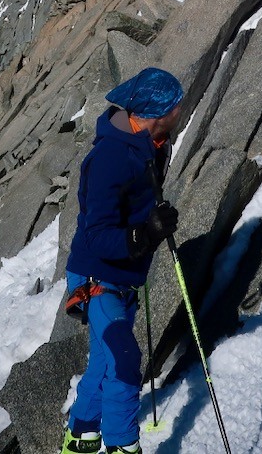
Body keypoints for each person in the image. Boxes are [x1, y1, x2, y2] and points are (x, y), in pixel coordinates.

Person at [62, 67, 184, 454]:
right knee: (124, 359)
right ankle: (122, 446)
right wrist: (145, 234)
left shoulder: (153, 142)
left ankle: (80, 435)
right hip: (97, 276)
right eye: (176, 105)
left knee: (103, 359)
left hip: (124, 273)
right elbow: (97, 234)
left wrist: (152, 223)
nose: (182, 110)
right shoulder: (111, 158)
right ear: (155, 111)